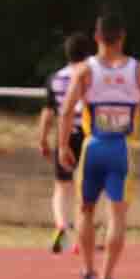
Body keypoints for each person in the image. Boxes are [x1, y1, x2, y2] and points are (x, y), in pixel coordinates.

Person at [63, 16, 140, 279]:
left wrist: (63, 146)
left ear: (97, 37)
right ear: (122, 37)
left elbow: (66, 110)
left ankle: (88, 270)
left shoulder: (84, 71)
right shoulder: (138, 70)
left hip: (92, 147)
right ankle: (108, 277)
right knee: (117, 215)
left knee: (85, 209)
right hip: (121, 150)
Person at [40, 33, 88, 255]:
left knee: (62, 186)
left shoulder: (55, 78)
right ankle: (81, 237)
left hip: (64, 136)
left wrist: (43, 138)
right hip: (88, 134)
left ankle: (61, 225)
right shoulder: (91, 76)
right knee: (85, 188)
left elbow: (49, 112)